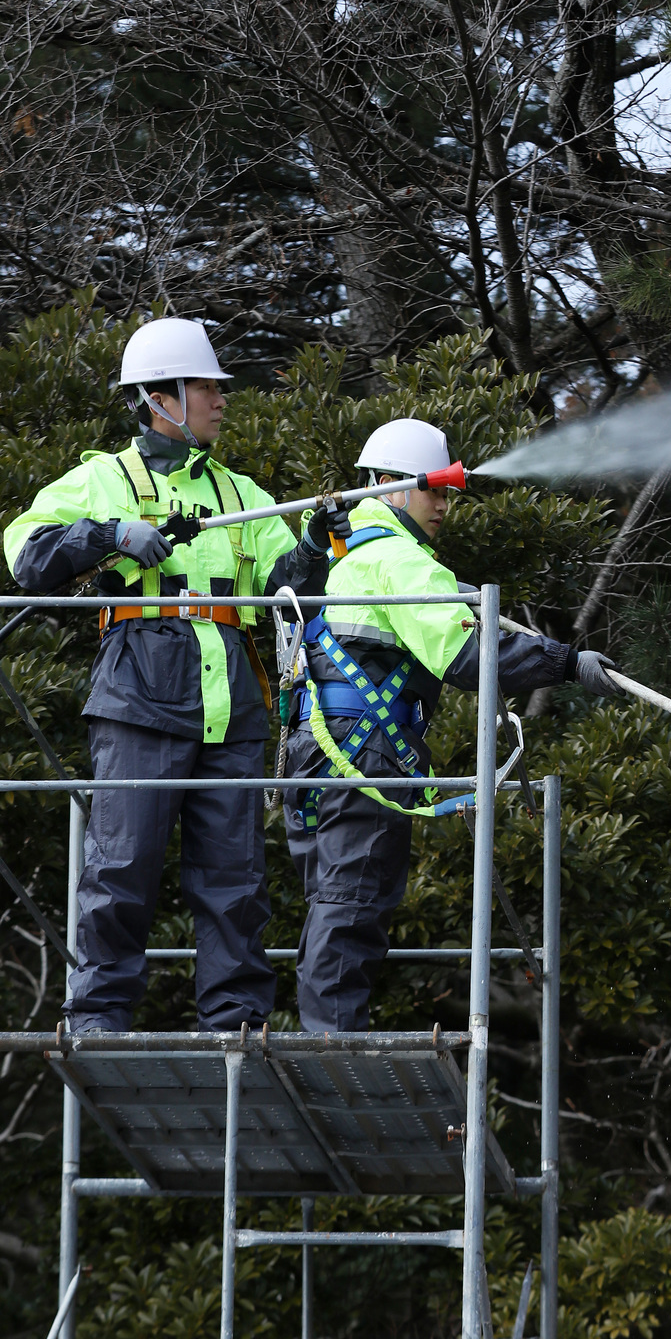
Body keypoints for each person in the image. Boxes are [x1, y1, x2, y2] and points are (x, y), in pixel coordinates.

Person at [4, 316, 348, 1033]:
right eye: (207, 388)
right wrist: (107, 535)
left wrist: (314, 545)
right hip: (138, 698)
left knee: (236, 884)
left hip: (234, 710)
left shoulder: (244, 493)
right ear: (161, 397)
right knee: (121, 870)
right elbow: (26, 553)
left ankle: (236, 1024)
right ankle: (98, 1019)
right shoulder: (103, 478)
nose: (222, 400)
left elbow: (293, 592)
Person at [284, 417, 619, 1032]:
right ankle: (330, 1052)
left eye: (445, 493)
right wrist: (566, 663)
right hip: (366, 756)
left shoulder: (353, 556)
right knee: (353, 902)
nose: (442, 505)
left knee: (334, 899)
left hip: (318, 756)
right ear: (387, 487)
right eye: (432, 490)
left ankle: (323, 1039)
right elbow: (469, 657)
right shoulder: (398, 560)